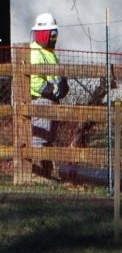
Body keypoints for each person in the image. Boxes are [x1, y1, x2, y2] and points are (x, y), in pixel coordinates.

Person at [29, 13, 68, 155]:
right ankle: (37, 170)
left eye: (55, 36)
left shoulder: (49, 52)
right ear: (43, 34)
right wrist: (51, 89)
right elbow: (34, 79)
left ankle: (45, 171)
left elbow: (55, 73)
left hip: (51, 99)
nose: (54, 39)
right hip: (40, 100)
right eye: (52, 35)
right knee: (40, 138)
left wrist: (63, 84)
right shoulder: (35, 52)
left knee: (49, 137)